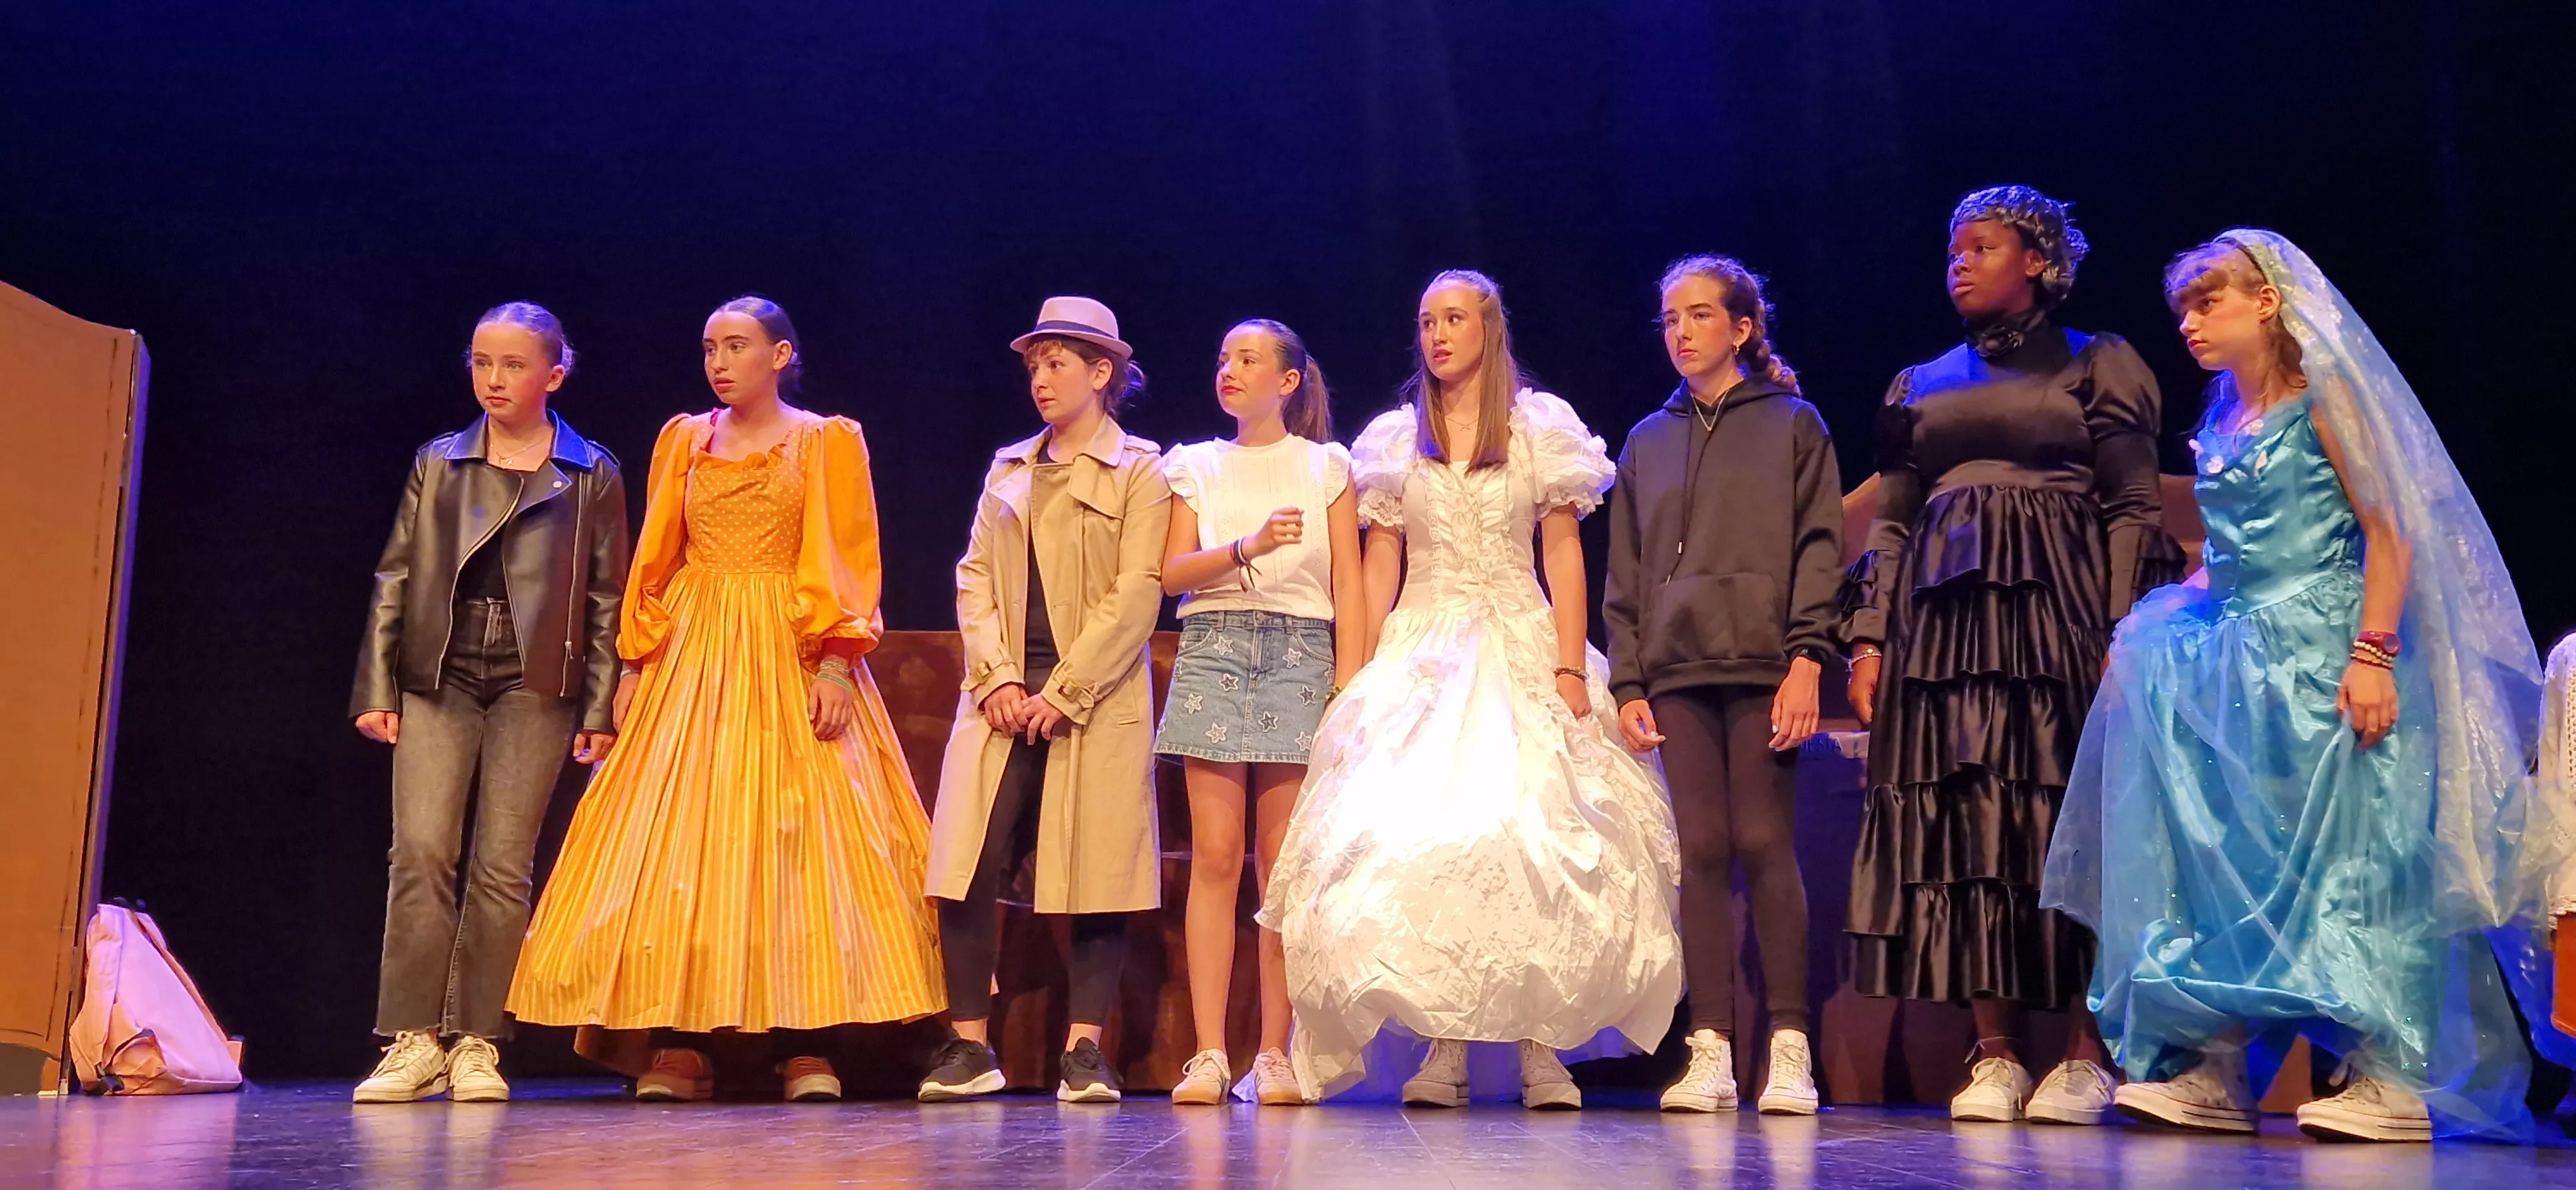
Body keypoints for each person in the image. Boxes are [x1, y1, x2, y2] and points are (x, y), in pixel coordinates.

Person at [2042, 230, 2565, 1142]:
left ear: (2268, 302)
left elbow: (2390, 529)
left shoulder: (2324, 401)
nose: (2191, 323)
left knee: (2351, 859)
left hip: (2325, 646)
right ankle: (2214, 1066)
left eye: (2210, 303)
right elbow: (2232, 551)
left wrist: (2372, 654)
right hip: (2234, 657)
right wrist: (2161, 623)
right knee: (2229, 859)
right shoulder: (2222, 417)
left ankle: (2392, 1074)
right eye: (2185, 310)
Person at [1259, 269, 1682, 1110]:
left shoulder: (1537, 429)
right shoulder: (1393, 440)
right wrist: (1359, 670)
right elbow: (1381, 562)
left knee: (1534, 836)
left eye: (1454, 319)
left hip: (1522, 640)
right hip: (1424, 647)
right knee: (1427, 843)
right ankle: (1442, 1047)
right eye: (1426, 321)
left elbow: (1562, 551)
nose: (1438, 334)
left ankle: (1542, 1051)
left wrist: (1569, 664)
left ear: (1489, 328)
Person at [507, 296, 945, 1103]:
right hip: (696, 647)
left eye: (737, 346)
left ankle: (807, 1043)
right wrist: (635, 665)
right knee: (682, 841)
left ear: (779, 356)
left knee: (802, 839)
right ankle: (678, 1041)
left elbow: (846, 553)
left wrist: (837, 664)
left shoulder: (825, 440)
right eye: (710, 346)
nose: (718, 360)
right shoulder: (684, 439)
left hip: (790, 641)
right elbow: (655, 557)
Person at [1841, 185, 2176, 1125]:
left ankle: (2085, 1048)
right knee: (1970, 827)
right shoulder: (1920, 379)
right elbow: (1895, 520)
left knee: (2069, 818)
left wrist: (2125, 627)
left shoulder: (2098, 364)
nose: (1959, 260)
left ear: (2036, 260)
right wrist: (1870, 635)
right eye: (1953, 247)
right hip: (1944, 630)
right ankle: (1993, 1053)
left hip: (2060, 615)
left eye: (1982, 246)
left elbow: (2132, 508)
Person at [350, 302, 628, 1104]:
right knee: (422, 851)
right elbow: (396, 574)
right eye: (481, 362)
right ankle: (411, 1038)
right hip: (439, 669)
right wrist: (377, 684)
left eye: (512, 364)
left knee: (502, 866)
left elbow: (607, 598)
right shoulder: (439, 461)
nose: (494, 379)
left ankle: (476, 1040)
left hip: (534, 678)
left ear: (554, 375)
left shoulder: (590, 470)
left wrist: (599, 707)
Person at [916, 297, 1171, 1106]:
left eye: (1058, 363)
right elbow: (976, 576)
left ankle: (1084, 1050)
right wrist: (996, 679)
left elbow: (1138, 593)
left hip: (1092, 696)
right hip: (1000, 696)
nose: (1041, 378)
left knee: (1099, 867)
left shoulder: (1140, 470)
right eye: (1034, 364)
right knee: (964, 859)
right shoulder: (1008, 468)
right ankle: (967, 1047)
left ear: (1103, 374)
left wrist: (1063, 692)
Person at [1604, 256, 1842, 1116]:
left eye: (1700, 316)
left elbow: (1821, 547)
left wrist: (1809, 657)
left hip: (1765, 664)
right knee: (1699, 851)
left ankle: (1789, 1043)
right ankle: (1710, 1047)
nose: (1681, 332)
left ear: (1740, 327)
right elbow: (1624, 571)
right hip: (1676, 669)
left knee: (1767, 844)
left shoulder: (1793, 424)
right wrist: (1628, 676)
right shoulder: (1647, 439)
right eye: (1670, 318)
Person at [1157, 321, 1363, 1107]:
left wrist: (1349, 682)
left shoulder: (1325, 466)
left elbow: (1347, 577)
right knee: (1214, 855)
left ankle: (1273, 1051)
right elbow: (1171, 572)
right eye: (1221, 359)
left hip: (1300, 653)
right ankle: (1210, 1051)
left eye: (1247, 360)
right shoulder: (1196, 465)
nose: (1229, 371)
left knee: (1281, 866)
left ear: (1288, 380)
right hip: (1214, 645)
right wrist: (1245, 545)